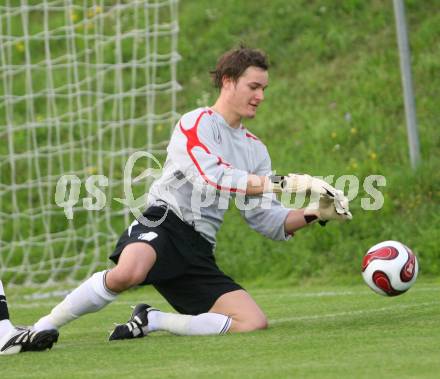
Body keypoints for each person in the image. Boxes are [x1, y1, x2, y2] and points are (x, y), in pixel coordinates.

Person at [2, 46, 351, 353]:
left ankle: (152, 319)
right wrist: (284, 182)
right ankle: (41, 327)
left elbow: (265, 220)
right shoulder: (196, 122)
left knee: (251, 321)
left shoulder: (255, 149)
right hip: (164, 221)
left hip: (199, 246)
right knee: (129, 271)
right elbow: (212, 178)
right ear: (228, 81)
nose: (260, 95)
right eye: (253, 86)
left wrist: (315, 212)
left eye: (264, 88)